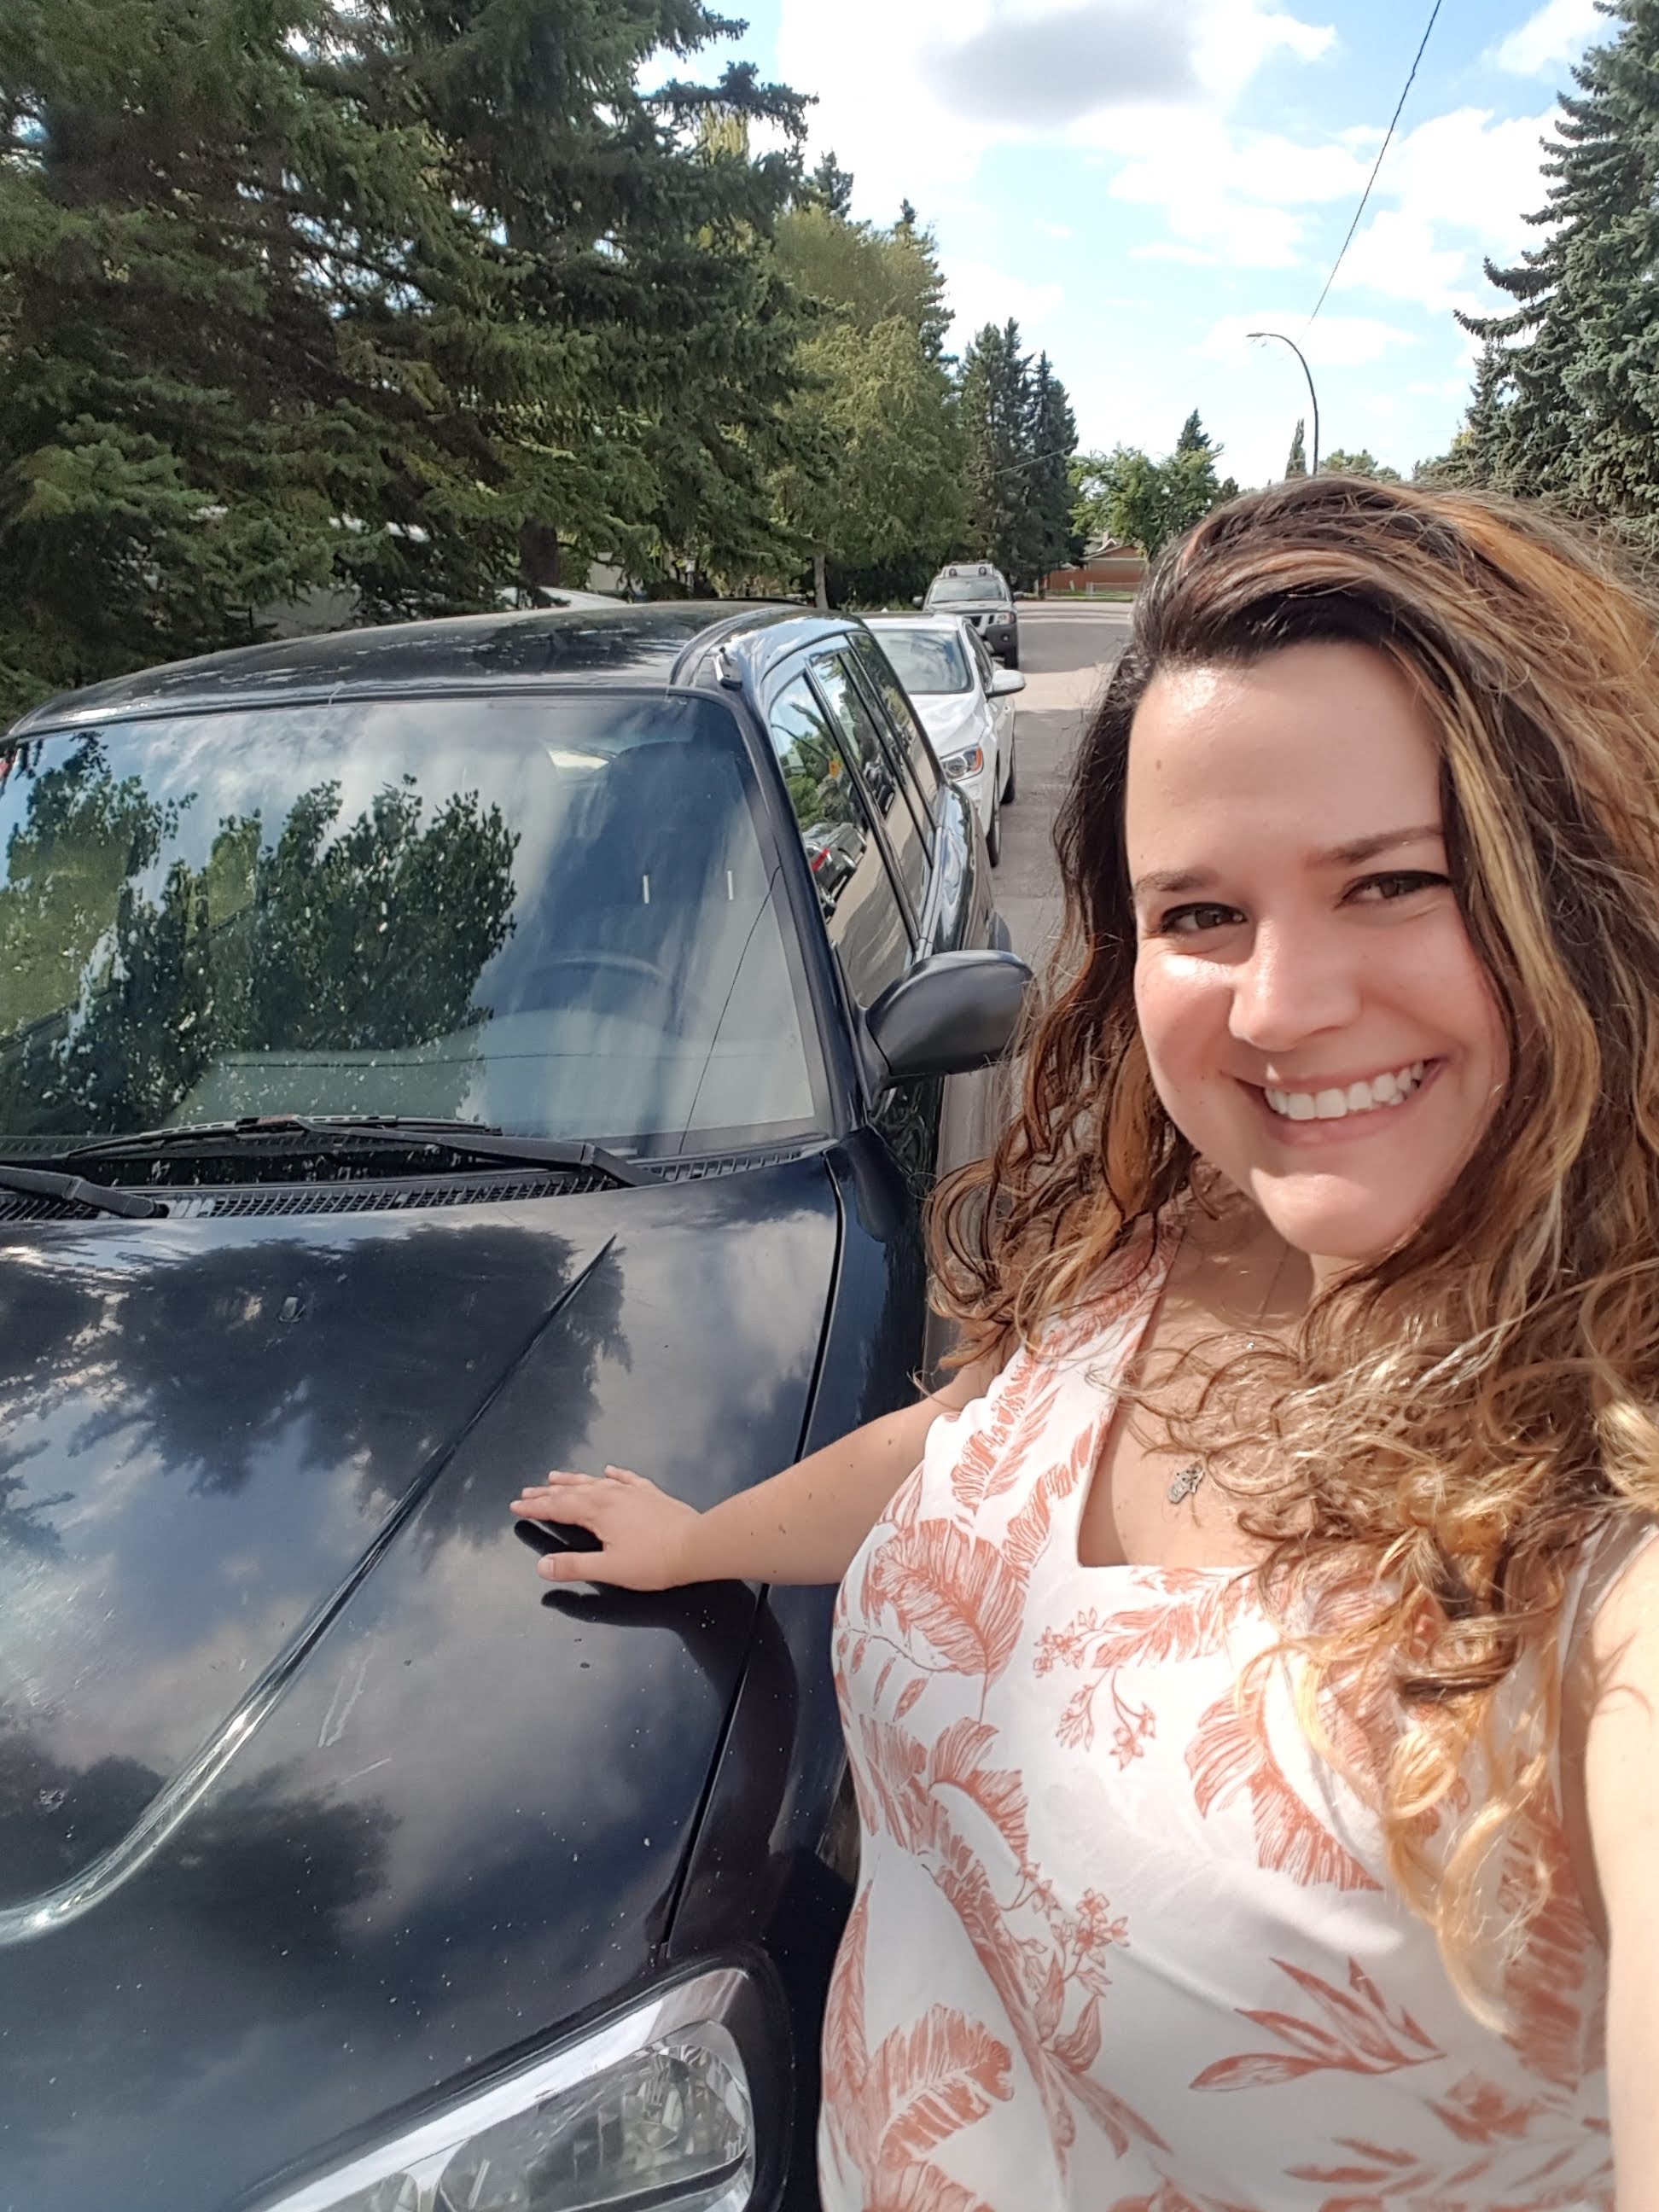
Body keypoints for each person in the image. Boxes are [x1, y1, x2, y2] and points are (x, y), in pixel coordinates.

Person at [509, 476, 1659, 2210]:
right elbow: (977, 1449)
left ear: (1584, 895)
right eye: (1201, 915)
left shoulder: (1614, 1521)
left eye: (1393, 882)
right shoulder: (1200, 1228)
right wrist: (705, 1539)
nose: (1280, 1006)